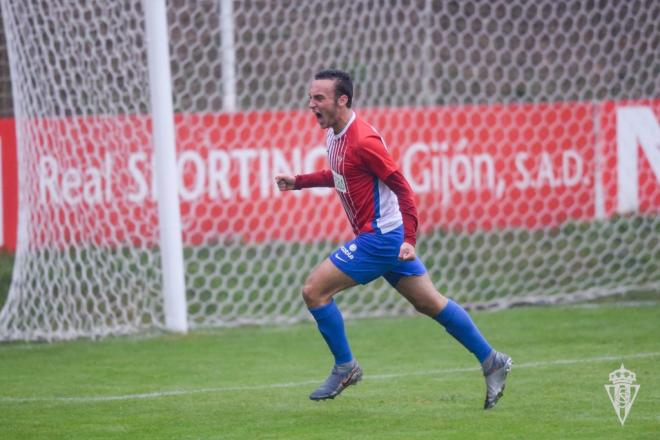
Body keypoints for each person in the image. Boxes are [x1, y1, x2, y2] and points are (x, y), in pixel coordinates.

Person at [275, 69, 511, 409]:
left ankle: (346, 367)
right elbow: (340, 174)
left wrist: (409, 239)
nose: (311, 104)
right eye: (311, 97)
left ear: (342, 100)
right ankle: (493, 362)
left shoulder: (364, 141)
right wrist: (298, 181)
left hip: (382, 238)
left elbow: (404, 188)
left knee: (314, 291)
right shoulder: (335, 135)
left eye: (319, 98)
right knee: (430, 303)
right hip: (385, 236)